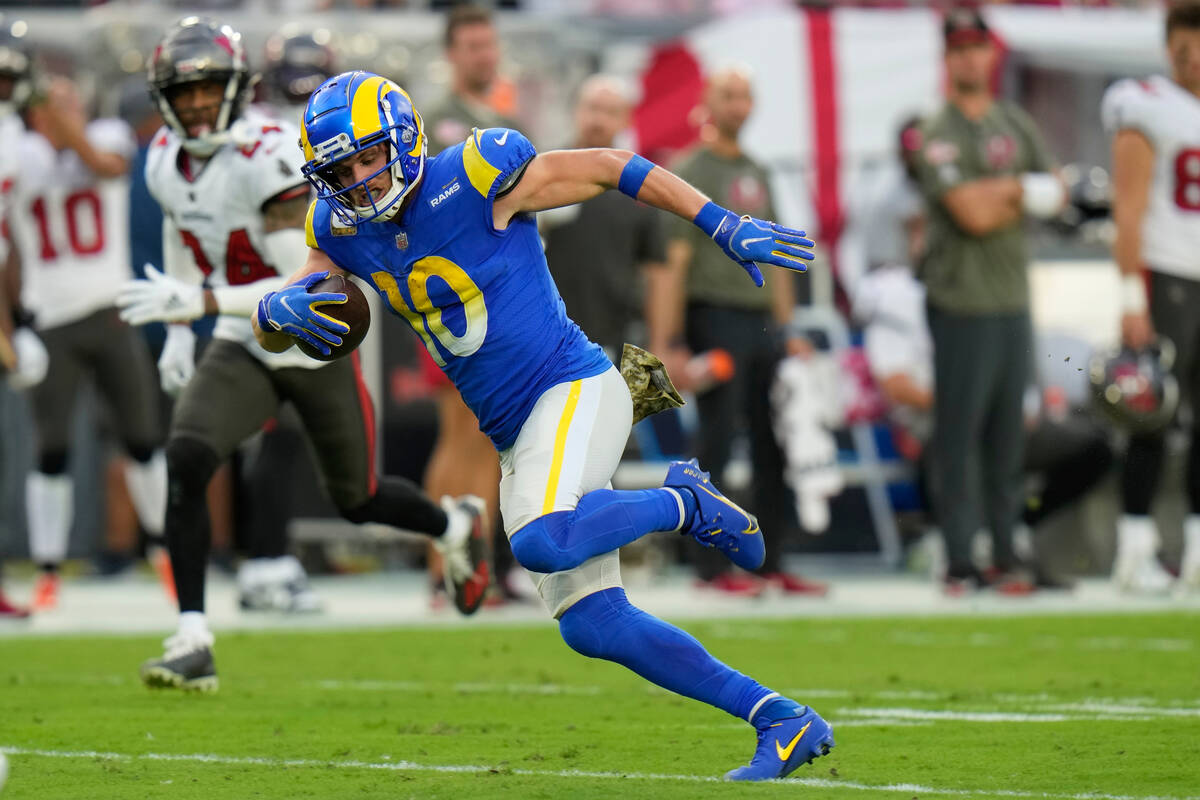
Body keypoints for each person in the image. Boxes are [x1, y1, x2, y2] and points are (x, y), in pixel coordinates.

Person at [253, 68, 833, 782]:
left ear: (402, 141)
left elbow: (611, 166)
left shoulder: (474, 172)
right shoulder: (340, 228)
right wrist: (271, 314)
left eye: (369, 157)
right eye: (341, 168)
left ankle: (686, 502)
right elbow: (303, 298)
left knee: (541, 538)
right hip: (518, 433)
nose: (360, 180)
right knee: (593, 625)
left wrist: (722, 222)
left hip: (575, 387)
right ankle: (780, 718)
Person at [118, 18, 489, 692]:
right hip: (242, 342)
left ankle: (450, 523)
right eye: (185, 90)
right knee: (188, 456)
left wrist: (196, 305)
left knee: (359, 498)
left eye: (209, 88)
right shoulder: (161, 159)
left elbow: (302, 289)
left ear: (236, 87)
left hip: (310, 341)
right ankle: (193, 633)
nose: (198, 103)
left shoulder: (269, 155)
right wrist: (179, 329)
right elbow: (183, 230)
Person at [650, 66, 825, 598]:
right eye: (728, 94)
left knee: (777, 440)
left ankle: (771, 561)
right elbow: (673, 264)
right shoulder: (690, 168)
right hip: (714, 315)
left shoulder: (757, 171)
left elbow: (775, 257)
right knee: (718, 439)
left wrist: (788, 326)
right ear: (708, 102)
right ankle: (709, 566)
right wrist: (669, 340)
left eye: (746, 95)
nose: (738, 104)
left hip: (761, 322)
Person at [914, 8, 1065, 593]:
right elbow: (972, 215)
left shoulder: (1013, 122)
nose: (972, 58)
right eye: (961, 49)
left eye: (980, 47)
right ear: (948, 58)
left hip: (1010, 295)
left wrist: (1006, 191)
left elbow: (1056, 193)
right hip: (960, 298)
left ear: (991, 53)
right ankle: (958, 554)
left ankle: (1006, 549)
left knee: (1007, 436)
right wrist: (1019, 192)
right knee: (960, 434)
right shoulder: (936, 130)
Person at [7, 75, 171, 611]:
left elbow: (107, 166)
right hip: (51, 317)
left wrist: (66, 128)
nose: (62, 109)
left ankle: (164, 551)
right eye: (49, 104)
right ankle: (49, 567)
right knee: (51, 447)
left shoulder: (106, 135)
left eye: (68, 99)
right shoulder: (21, 153)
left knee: (142, 437)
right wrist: (16, 324)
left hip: (110, 310)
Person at [418, 5, 522, 604]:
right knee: (464, 437)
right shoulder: (443, 122)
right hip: (455, 297)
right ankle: (449, 568)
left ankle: (457, 564)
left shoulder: (499, 117)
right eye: (473, 46)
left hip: (491, 298)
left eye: (489, 45)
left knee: (476, 439)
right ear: (452, 53)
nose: (485, 55)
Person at [1100, 1, 1200, 594]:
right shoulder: (1146, 105)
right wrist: (1129, 294)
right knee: (1151, 414)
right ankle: (1134, 545)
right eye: (1181, 38)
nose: (1190, 49)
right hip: (1165, 275)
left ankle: (1193, 550)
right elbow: (1128, 209)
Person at [541, 75, 666, 359]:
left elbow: (657, 270)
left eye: (610, 112)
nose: (598, 119)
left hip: (620, 335)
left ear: (626, 120)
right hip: (552, 333)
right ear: (576, 111)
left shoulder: (641, 187)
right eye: (592, 108)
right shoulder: (545, 173)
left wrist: (660, 344)